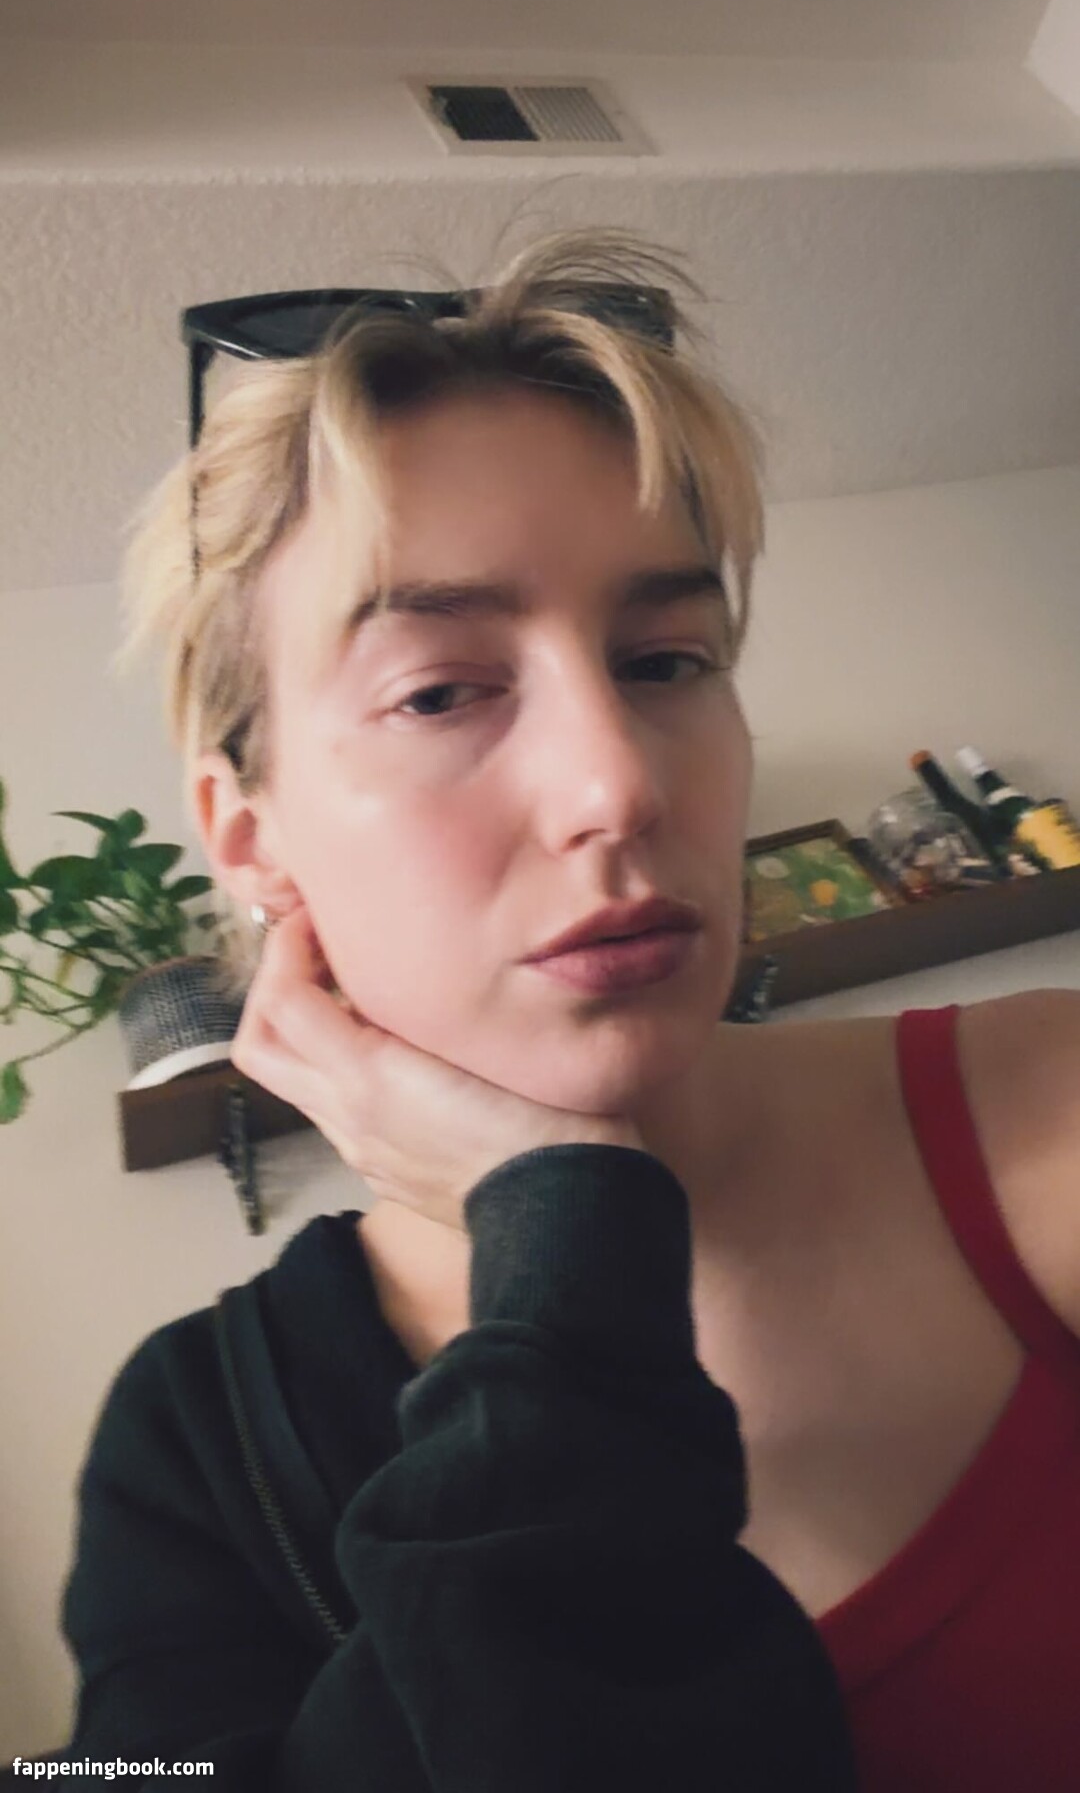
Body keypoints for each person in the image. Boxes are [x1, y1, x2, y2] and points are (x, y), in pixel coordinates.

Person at [55, 227, 1080, 1789]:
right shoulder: (201, 1450)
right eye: (440, 690)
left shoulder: (1048, 1107)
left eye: (666, 660)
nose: (616, 783)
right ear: (250, 835)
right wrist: (566, 1236)